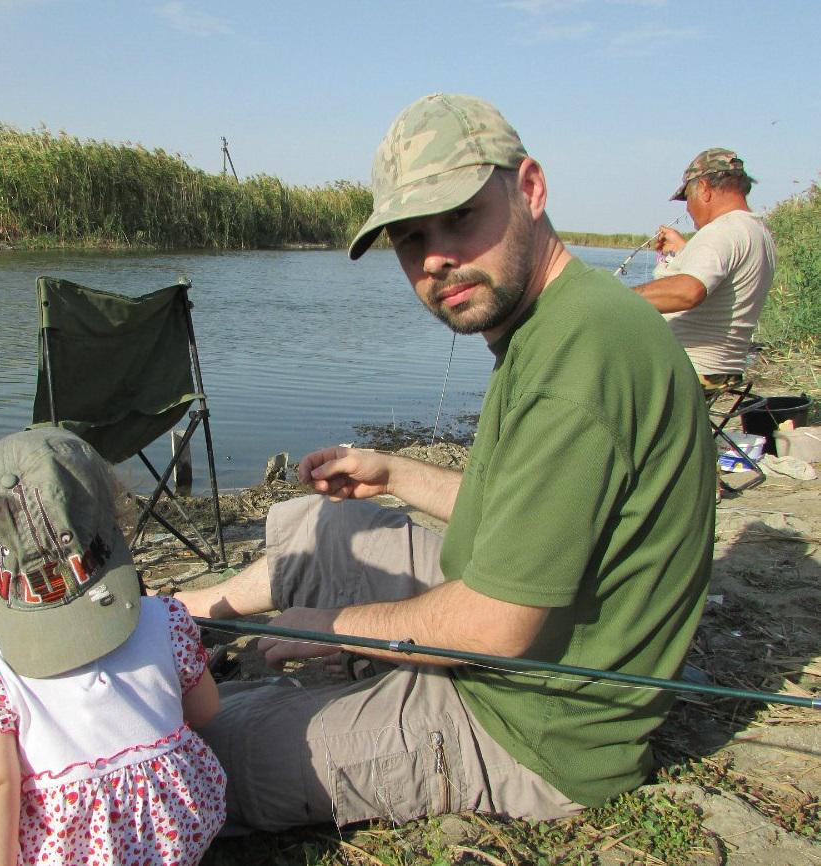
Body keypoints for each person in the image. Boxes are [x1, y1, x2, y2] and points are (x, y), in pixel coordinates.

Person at [178, 93, 715, 832]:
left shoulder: (580, 358)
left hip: (527, 724)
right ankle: (178, 621)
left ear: (529, 189)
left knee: (190, 763)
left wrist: (334, 627)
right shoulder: (556, 318)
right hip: (517, 634)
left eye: (461, 217)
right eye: (410, 237)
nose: (435, 257)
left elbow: (497, 627)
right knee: (322, 525)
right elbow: (532, 518)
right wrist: (393, 474)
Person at [0, 427, 225, 865]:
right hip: (174, 839)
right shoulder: (165, 619)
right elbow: (205, 710)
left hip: (65, 852)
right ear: (115, 520)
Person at [633, 148, 777, 390]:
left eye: (688, 198)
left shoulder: (722, 231)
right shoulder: (756, 231)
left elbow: (689, 291)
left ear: (704, 189)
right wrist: (685, 251)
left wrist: (616, 297)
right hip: (720, 372)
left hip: (683, 374)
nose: (688, 209)